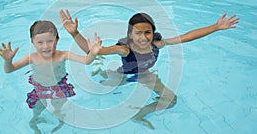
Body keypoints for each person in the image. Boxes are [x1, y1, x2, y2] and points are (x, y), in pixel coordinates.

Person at [59, 9, 239, 129]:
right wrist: (75, 33)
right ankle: (103, 72)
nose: (143, 37)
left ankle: (140, 113)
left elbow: (187, 37)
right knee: (104, 86)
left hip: (145, 75)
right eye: (138, 33)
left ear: (152, 33)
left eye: (147, 32)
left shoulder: (157, 44)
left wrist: (216, 27)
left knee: (170, 100)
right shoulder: (124, 49)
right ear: (130, 34)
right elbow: (93, 52)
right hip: (125, 74)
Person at [0, 20, 102, 133]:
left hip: (59, 86)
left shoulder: (62, 55)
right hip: (39, 87)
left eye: (50, 41)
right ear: (32, 42)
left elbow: (86, 61)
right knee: (38, 107)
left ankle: (59, 117)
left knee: (58, 106)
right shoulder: (31, 58)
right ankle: (34, 119)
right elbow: (9, 70)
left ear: (57, 40)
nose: (45, 46)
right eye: (40, 42)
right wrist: (8, 60)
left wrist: (93, 53)